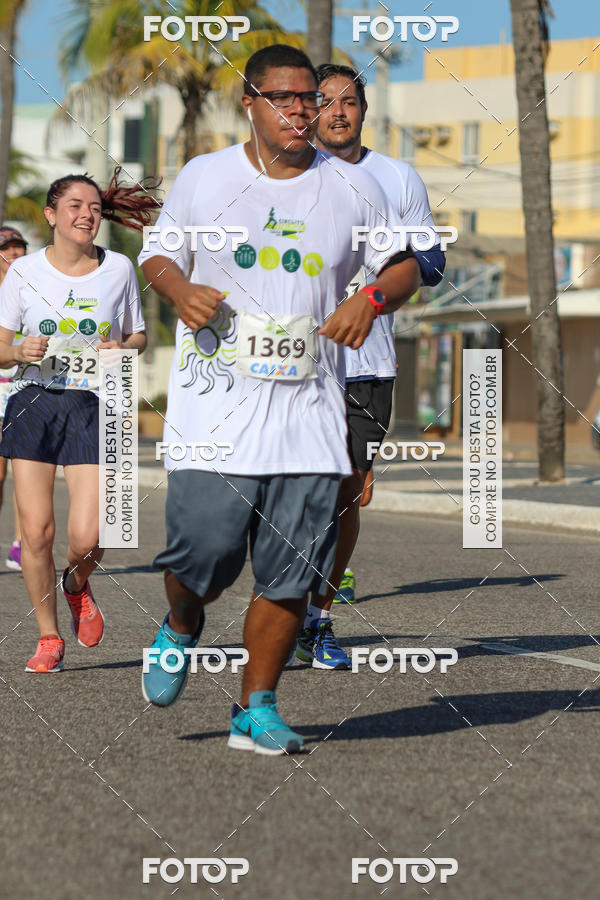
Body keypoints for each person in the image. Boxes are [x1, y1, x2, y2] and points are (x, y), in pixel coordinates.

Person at [138, 44, 420, 756]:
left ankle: (254, 707)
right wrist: (179, 290)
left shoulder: (354, 188)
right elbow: (159, 252)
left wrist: (373, 296)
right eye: (286, 98)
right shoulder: (207, 177)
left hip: (310, 408)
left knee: (292, 568)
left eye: (311, 99)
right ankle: (181, 621)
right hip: (215, 408)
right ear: (250, 102)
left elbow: (412, 261)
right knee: (202, 552)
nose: (303, 110)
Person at [295, 64, 446, 670]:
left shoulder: (396, 176)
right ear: (308, 109)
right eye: (324, 101)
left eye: (348, 101)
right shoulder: (290, 171)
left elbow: (431, 262)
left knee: (347, 495)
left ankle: (319, 618)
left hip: (368, 359)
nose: (336, 111)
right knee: (295, 492)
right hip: (296, 360)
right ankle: (282, 603)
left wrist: (376, 293)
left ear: (363, 110)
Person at [0, 169, 154, 673]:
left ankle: (77, 583)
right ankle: (48, 637)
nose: (87, 214)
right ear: (51, 216)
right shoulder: (23, 273)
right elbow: (1, 348)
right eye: (74, 206)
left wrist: (120, 347)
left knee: (89, 537)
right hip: (33, 399)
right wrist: (19, 348)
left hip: (95, 401)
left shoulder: (119, 269)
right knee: (38, 534)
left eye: (93, 207)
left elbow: (138, 338)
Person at [0, 226, 27, 570]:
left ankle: (22, 543)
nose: (15, 254)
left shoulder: (33, 288)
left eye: (20, 249)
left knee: (26, 474)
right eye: (8, 249)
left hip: (24, 391)